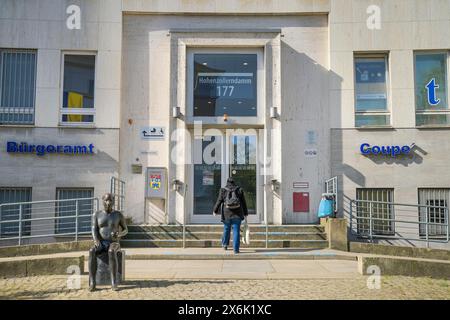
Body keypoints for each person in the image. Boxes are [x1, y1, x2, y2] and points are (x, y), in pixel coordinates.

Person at [89, 193, 128, 291]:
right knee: (91, 251)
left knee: (111, 251)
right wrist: (96, 240)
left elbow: (126, 230)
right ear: (102, 201)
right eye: (106, 200)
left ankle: (113, 282)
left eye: (110, 200)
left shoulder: (118, 215)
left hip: (114, 243)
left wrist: (119, 234)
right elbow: (94, 229)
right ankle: (92, 282)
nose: (108, 202)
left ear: (113, 201)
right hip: (101, 242)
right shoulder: (96, 214)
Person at [213, 177, 248, 254]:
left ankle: (225, 245)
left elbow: (219, 201)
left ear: (227, 182)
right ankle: (236, 249)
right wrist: (245, 214)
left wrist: (215, 210)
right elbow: (243, 203)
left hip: (226, 214)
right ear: (234, 182)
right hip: (237, 214)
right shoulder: (239, 190)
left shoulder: (223, 190)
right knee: (236, 231)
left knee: (226, 229)